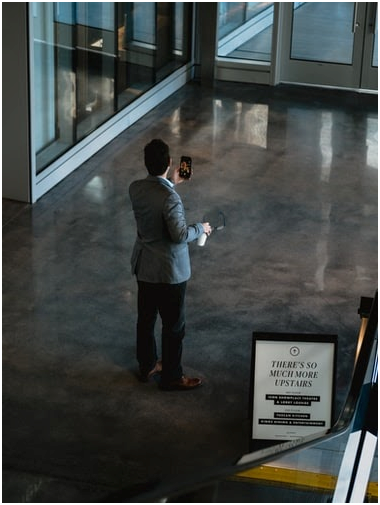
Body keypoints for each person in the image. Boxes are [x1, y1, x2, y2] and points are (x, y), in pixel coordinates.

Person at [129, 139, 212, 390]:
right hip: (169, 272)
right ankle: (173, 376)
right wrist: (201, 228)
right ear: (169, 163)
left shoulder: (135, 188)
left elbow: (156, 199)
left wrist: (171, 182)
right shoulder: (170, 199)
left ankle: (147, 365)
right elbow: (179, 235)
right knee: (174, 325)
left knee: (146, 319)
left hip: (145, 267)